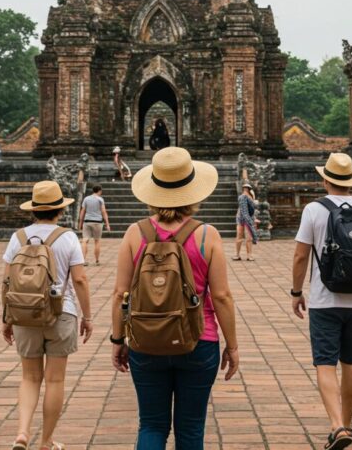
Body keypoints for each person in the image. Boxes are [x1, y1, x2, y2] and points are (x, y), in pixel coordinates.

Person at [110, 147, 240, 450]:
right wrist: (232, 346)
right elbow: (221, 296)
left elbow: (120, 293)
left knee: (152, 425)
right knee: (191, 429)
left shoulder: (134, 233)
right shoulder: (207, 235)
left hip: (145, 339)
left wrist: (118, 340)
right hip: (199, 339)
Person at [291, 153, 352, 449]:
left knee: (325, 362)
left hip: (324, 298)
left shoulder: (314, 210)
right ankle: (347, 422)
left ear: (325, 179)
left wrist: (296, 292)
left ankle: (336, 425)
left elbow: (300, 256)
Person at [2, 181, 93, 450]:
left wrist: (6, 318)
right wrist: (87, 316)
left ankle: (22, 433)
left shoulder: (18, 237)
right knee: (55, 379)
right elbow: (80, 280)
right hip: (60, 312)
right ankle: (46, 441)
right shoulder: (67, 238)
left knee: (29, 377)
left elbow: (6, 281)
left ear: (34, 210)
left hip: (24, 313)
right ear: (59, 210)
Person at [79, 185, 111, 265]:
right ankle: (97, 261)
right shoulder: (100, 199)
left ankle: (83, 260)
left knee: (85, 240)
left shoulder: (86, 199)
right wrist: (107, 224)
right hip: (97, 222)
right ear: (99, 191)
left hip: (87, 221)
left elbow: (82, 211)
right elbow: (103, 212)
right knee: (97, 241)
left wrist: (80, 223)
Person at [233, 184, 258, 261]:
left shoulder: (251, 196)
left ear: (249, 189)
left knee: (248, 237)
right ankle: (237, 254)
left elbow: (252, 210)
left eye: (246, 188)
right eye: (244, 188)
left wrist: (253, 219)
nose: (245, 189)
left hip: (249, 218)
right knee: (239, 236)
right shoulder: (242, 197)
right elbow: (241, 208)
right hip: (240, 218)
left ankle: (249, 255)